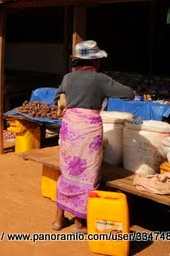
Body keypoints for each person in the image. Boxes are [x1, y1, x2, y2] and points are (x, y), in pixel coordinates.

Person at [51, 40, 134, 233]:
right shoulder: (100, 79)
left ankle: (58, 220)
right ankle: (80, 223)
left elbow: (58, 98)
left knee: (68, 172)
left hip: (69, 128)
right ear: (95, 61)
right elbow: (128, 94)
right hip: (88, 132)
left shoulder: (68, 78)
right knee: (86, 175)